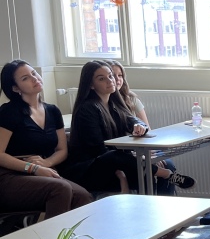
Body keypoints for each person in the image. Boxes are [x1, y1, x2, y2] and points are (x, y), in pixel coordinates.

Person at [65, 61, 191, 194]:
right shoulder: (87, 109)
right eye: (101, 79)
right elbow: (99, 149)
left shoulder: (114, 104)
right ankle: (165, 174)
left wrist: (139, 126)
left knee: (159, 162)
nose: (110, 80)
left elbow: (136, 121)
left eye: (110, 76)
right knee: (120, 158)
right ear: (91, 85)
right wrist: (133, 155)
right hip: (90, 168)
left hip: (117, 161)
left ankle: (159, 199)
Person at [0, 60, 92, 218]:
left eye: (34, 73)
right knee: (60, 189)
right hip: (10, 175)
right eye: (25, 78)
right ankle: (51, 234)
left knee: (82, 196)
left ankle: (70, 233)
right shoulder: (8, 112)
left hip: (42, 171)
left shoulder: (52, 110)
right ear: (15, 88)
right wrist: (33, 168)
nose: (34, 78)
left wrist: (47, 163)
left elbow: (62, 150)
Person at [108, 60, 193, 194]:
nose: (117, 79)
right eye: (113, 75)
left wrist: (149, 152)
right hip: (124, 153)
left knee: (168, 164)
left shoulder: (132, 100)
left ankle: (164, 201)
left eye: (120, 75)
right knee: (148, 169)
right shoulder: (104, 104)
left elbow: (147, 129)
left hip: (142, 148)